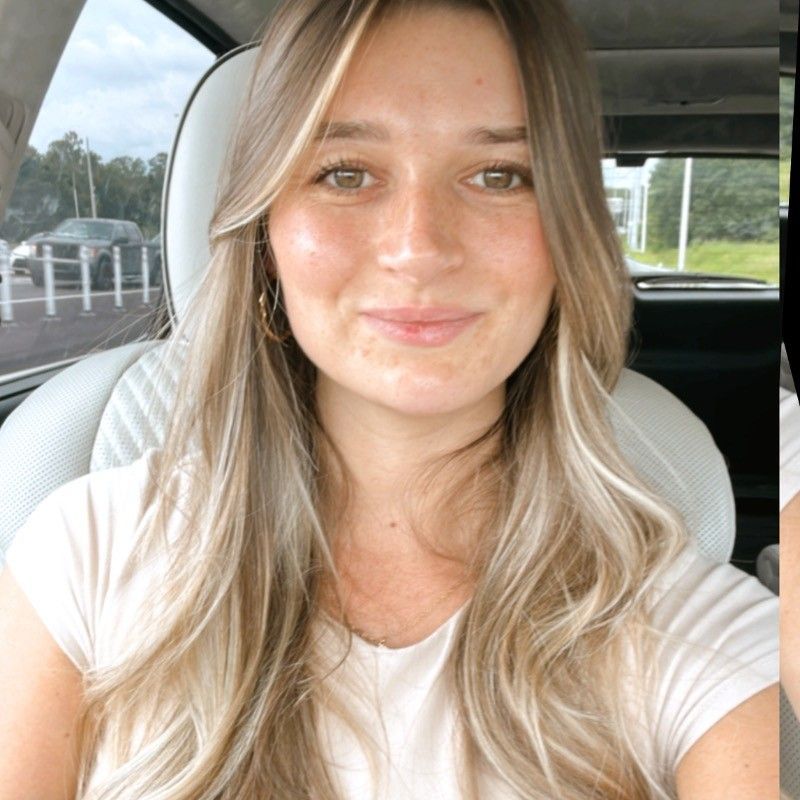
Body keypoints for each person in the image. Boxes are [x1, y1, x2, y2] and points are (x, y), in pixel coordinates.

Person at [0, 0, 777, 798]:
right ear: (266, 232)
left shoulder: (691, 628)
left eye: (500, 175)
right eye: (345, 174)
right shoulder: (84, 554)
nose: (419, 247)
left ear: (570, 233)